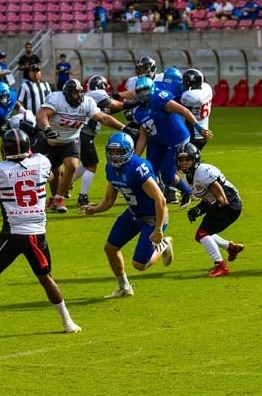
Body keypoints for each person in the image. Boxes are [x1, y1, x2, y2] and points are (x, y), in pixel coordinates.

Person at [0, 129, 81, 342]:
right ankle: (68, 322)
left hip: (13, 234)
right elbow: (52, 175)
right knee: (46, 279)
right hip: (38, 234)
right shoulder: (42, 162)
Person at [79, 132, 172, 298]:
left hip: (153, 217)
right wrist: (95, 209)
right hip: (134, 213)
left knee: (139, 265)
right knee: (110, 248)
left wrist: (158, 229)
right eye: (112, 152)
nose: (114, 156)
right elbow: (109, 199)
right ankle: (124, 288)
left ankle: (164, 244)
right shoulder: (111, 168)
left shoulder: (137, 168)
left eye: (119, 152)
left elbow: (160, 199)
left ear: (129, 151)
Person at [36, 79, 139, 213]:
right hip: (52, 141)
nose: (78, 96)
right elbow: (42, 114)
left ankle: (58, 199)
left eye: (80, 93)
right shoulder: (57, 99)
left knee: (72, 166)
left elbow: (103, 117)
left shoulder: (86, 102)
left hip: (71, 140)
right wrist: (47, 128)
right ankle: (53, 198)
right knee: (54, 173)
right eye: (75, 93)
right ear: (67, 94)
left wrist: (123, 128)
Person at [131, 76, 209, 210]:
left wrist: (198, 127)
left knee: (167, 175)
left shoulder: (159, 98)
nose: (143, 94)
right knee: (147, 172)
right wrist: (135, 157)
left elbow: (183, 110)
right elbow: (143, 136)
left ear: (151, 89)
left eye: (145, 90)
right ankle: (152, 203)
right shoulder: (138, 111)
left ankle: (186, 191)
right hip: (156, 141)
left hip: (175, 139)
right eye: (140, 91)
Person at [175, 143, 244, 277]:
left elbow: (222, 200)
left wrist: (200, 209)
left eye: (187, 159)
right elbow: (209, 197)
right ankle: (230, 247)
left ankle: (221, 266)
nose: (184, 163)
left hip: (230, 205)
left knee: (202, 234)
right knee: (204, 234)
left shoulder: (202, 172)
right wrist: (198, 208)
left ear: (195, 159)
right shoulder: (188, 178)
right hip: (223, 203)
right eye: (181, 160)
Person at [73, 75, 128, 206]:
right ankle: (83, 197)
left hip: (80, 132)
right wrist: (133, 103)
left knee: (86, 163)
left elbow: (106, 110)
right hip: (85, 133)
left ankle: (66, 184)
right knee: (92, 165)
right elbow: (116, 105)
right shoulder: (97, 94)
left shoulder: (89, 96)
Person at [179, 69, 213, 150]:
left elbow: (178, 105)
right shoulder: (207, 88)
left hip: (193, 135)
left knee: (183, 160)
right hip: (204, 133)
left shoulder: (190, 96)